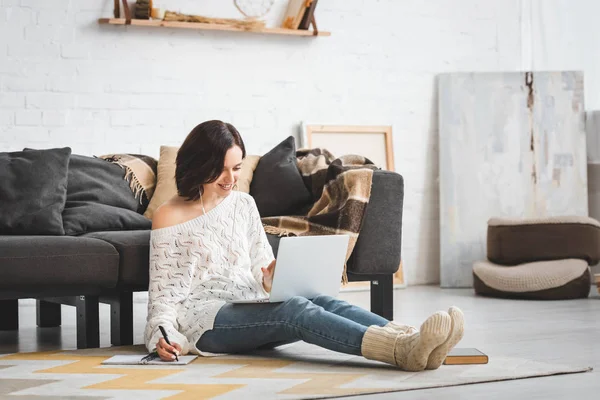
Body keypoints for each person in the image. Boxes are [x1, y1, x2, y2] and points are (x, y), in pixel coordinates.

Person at [144, 120, 465, 371]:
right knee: (295, 311)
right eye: (221, 170)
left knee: (320, 300)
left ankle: (413, 338)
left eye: (237, 168)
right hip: (205, 323)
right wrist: (163, 336)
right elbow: (163, 297)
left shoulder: (242, 204)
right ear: (200, 166)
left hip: (250, 304)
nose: (231, 178)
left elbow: (260, 266)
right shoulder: (168, 215)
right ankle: (400, 351)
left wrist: (271, 278)